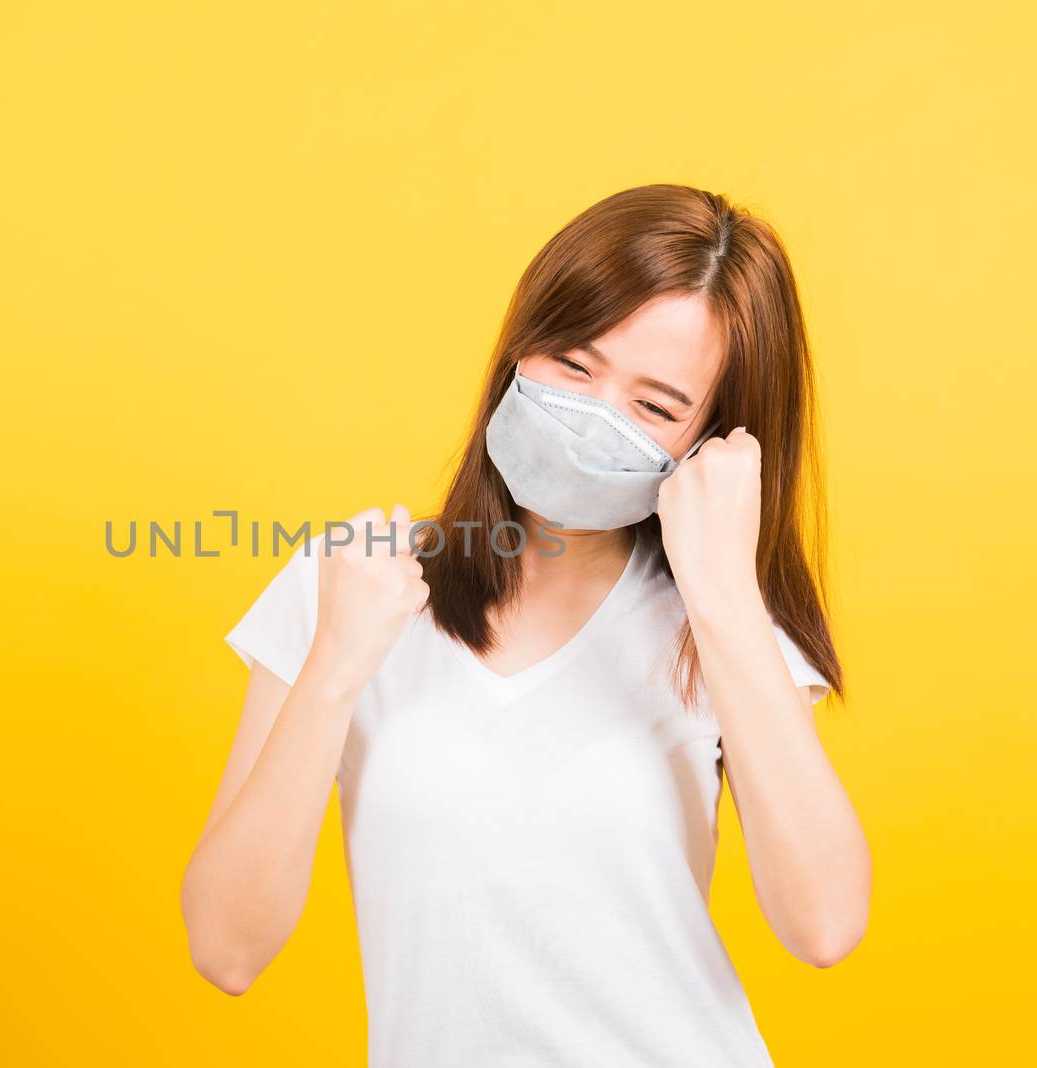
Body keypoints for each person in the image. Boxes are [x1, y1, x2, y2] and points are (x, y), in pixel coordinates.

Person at [179, 183, 871, 1067]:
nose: (594, 418)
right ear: (519, 350)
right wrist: (336, 667)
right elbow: (226, 948)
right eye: (575, 367)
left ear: (711, 443)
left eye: (655, 406)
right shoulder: (350, 580)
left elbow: (826, 926)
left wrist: (727, 599)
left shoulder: (721, 621)